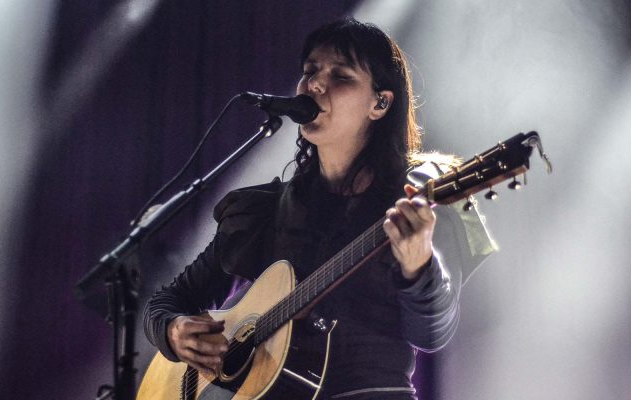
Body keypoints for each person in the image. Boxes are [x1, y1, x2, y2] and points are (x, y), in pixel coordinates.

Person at [143, 18, 494, 399]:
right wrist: (172, 329)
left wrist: (419, 266)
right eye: (310, 71)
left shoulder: (420, 193)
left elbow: (433, 334)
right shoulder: (266, 209)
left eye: (340, 76)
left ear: (380, 103)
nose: (314, 85)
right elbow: (168, 301)